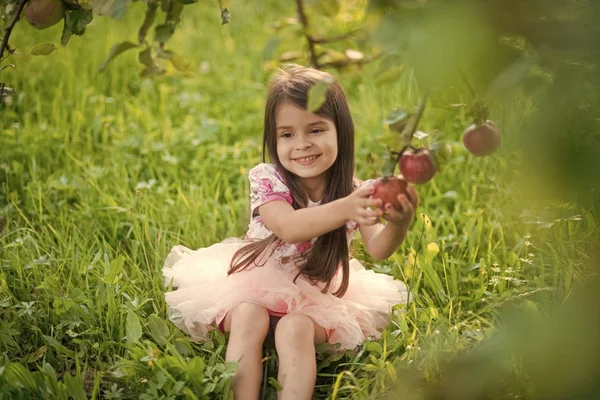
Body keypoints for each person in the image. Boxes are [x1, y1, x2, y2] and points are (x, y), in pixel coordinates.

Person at [163, 64, 419, 400]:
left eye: (315, 130)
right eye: (287, 134)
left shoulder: (357, 192)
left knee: (294, 328)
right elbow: (287, 227)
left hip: (316, 297)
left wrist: (399, 224)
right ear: (273, 139)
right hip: (254, 286)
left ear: (340, 131)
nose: (302, 145)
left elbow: (379, 249)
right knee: (248, 317)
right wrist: (346, 207)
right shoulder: (268, 179)